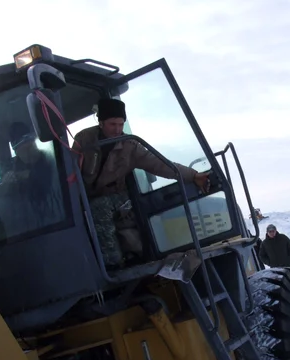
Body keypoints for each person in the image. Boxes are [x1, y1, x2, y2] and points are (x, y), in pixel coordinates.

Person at [71, 98, 210, 268]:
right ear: (100, 122)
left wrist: (193, 175)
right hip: (87, 195)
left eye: (121, 124)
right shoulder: (84, 139)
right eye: (112, 124)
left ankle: (113, 264)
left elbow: (160, 164)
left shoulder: (130, 146)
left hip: (117, 196)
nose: (117, 130)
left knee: (100, 208)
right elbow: (70, 171)